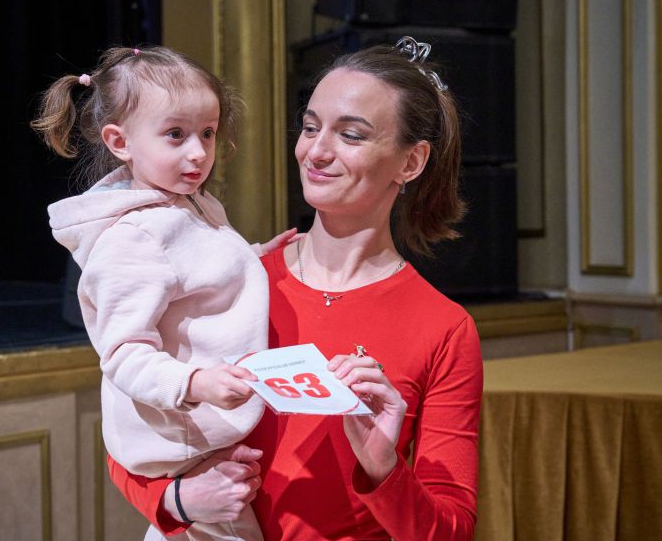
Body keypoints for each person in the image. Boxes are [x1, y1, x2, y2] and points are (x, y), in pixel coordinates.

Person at [108, 38, 484, 541]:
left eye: (350, 135)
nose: (316, 151)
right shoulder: (232, 280)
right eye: (310, 127)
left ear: (411, 162)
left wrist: (383, 469)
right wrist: (178, 499)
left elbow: (450, 530)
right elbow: (128, 431)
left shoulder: (444, 329)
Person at [32, 45, 299, 541]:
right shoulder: (133, 238)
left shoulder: (188, 205)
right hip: (185, 440)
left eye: (207, 133)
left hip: (203, 435)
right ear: (120, 142)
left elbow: (197, 273)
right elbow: (123, 354)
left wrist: (257, 255)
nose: (198, 152)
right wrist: (195, 382)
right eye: (176, 134)